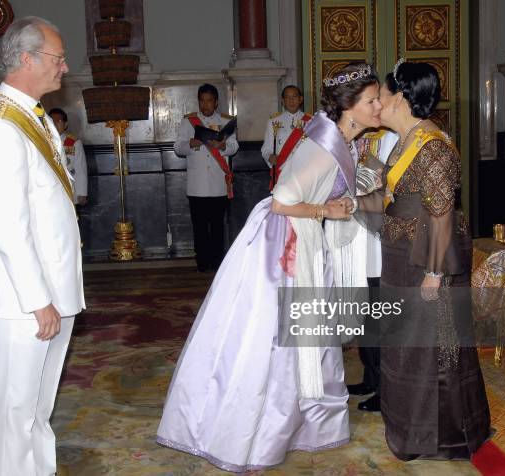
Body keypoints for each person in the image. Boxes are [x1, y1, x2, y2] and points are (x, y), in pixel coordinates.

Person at [157, 63, 382, 472]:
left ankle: (305, 424)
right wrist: (325, 209)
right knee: (274, 342)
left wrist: (346, 201)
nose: (380, 105)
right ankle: (254, 431)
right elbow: (281, 200)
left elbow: (340, 187)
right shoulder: (322, 146)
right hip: (285, 246)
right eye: (372, 100)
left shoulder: (343, 139)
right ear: (350, 108)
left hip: (306, 238)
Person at [347, 60, 491, 460]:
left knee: (433, 349)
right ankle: (409, 428)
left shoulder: (433, 145)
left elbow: (442, 211)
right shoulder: (408, 140)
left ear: (403, 97)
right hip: (401, 259)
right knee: (405, 347)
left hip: (427, 263)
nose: (380, 104)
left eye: (385, 95)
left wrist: (433, 273)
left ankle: (441, 436)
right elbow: (392, 202)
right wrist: (349, 203)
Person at [0, 17, 85, 475]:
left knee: (39, 407)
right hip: (27, 299)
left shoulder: (31, 118)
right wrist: (38, 301)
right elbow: (8, 227)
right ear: (26, 59)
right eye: (57, 58)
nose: (64, 66)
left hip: (52, 288)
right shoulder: (1, 128)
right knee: (17, 410)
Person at [345, 128, 398, 412]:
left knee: (377, 320)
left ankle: (384, 388)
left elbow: (386, 186)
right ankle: (369, 377)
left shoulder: (389, 138)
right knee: (364, 316)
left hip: (377, 241)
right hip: (356, 239)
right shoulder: (350, 138)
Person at [174, 83, 239, 272]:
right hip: (197, 185)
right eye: (202, 101)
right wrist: (191, 144)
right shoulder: (188, 122)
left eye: (209, 100)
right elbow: (178, 147)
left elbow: (235, 145)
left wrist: (224, 147)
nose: (205, 105)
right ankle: (202, 262)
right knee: (200, 227)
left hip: (219, 183)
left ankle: (218, 261)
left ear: (216, 102)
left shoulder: (226, 121)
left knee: (218, 226)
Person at [261, 85, 311, 190]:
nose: (291, 100)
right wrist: (270, 157)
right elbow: (266, 149)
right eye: (287, 97)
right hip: (282, 173)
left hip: (304, 172)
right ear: (283, 100)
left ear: (300, 99)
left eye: (294, 97)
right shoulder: (274, 121)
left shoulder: (310, 121)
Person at [49, 107, 88, 205]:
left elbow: (80, 168)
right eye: (51, 121)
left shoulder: (73, 142)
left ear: (65, 124)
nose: (54, 124)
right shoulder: (43, 142)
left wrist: (82, 193)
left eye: (58, 121)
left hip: (69, 188)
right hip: (49, 189)